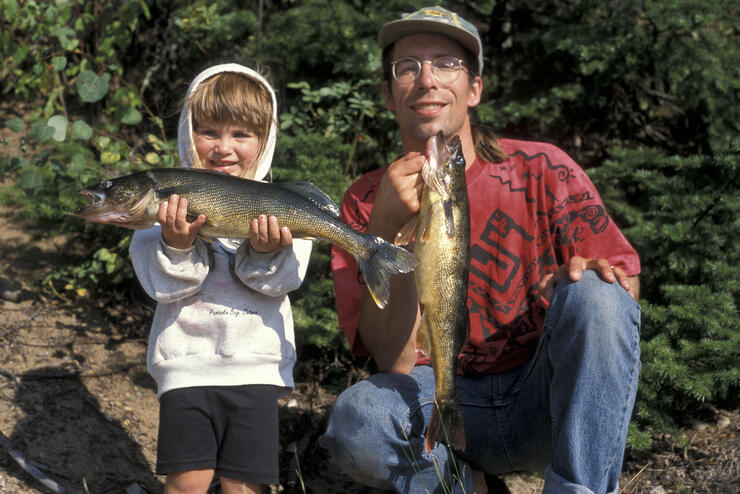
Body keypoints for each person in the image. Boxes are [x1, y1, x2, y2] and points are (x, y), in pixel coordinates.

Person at [320, 6, 642, 494]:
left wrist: (588, 282)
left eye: (446, 63)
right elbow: (396, 360)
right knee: (358, 420)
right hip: (439, 402)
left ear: (474, 89)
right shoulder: (365, 200)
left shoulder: (543, 168)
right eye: (407, 66)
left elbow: (626, 292)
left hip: (546, 400)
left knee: (600, 292)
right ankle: (465, 485)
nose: (426, 79)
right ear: (389, 94)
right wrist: (384, 227)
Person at [130, 63, 312, 494]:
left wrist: (265, 252)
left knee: (244, 485)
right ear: (187, 133)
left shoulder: (281, 206)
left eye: (241, 135)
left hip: (255, 366)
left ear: (264, 141)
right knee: (186, 482)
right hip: (185, 365)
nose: (223, 147)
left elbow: (279, 283)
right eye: (209, 131)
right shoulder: (157, 213)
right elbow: (166, 286)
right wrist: (175, 245)